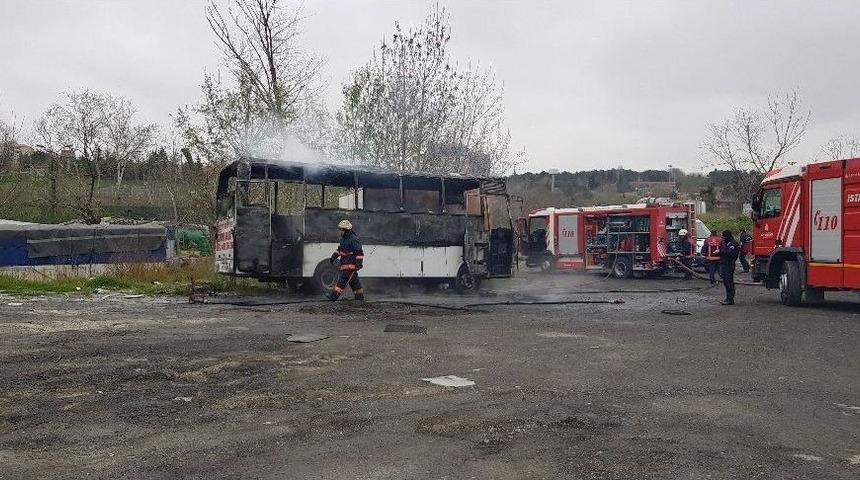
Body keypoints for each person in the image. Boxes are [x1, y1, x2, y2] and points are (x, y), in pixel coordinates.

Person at [325, 219, 365, 301]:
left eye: (341, 230)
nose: (340, 232)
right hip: (345, 264)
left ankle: (333, 297)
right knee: (354, 282)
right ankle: (360, 297)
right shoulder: (343, 239)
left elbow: (359, 253)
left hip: (350, 266)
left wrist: (359, 264)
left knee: (342, 281)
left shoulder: (354, 239)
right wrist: (333, 257)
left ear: (346, 230)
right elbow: (340, 250)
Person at [718, 230, 740, 305]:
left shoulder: (733, 244)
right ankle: (727, 298)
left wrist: (720, 252)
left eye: (724, 237)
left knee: (729, 281)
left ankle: (730, 299)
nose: (723, 239)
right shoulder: (725, 243)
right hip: (723, 264)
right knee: (725, 281)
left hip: (729, 264)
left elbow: (730, 253)